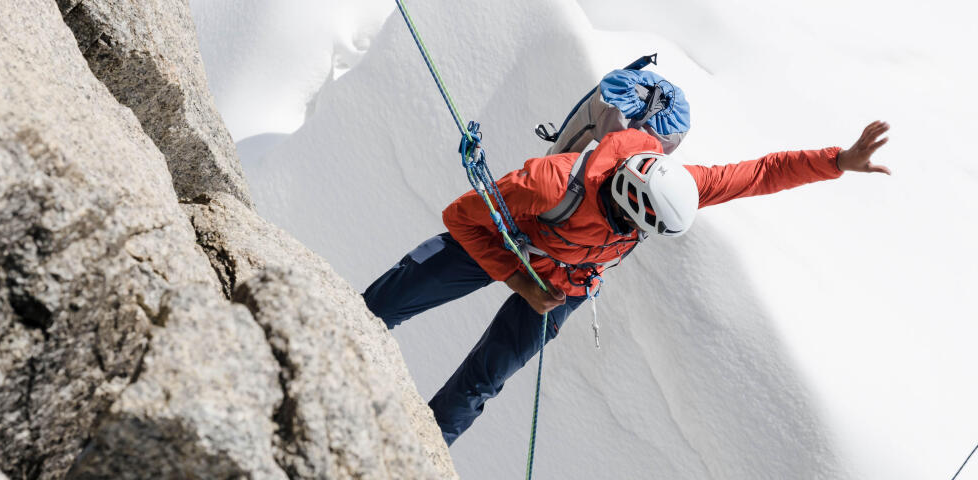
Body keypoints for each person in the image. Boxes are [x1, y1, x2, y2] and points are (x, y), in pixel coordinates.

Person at [362, 120, 893, 444]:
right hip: (508, 244)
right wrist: (519, 282)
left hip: (566, 283)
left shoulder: (676, 185)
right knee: (386, 305)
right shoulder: (550, 184)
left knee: (484, 380)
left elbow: (756, 173)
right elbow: (461, 216)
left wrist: (838, 161)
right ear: (632, 203)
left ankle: (413, 450)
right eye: (644, 227)